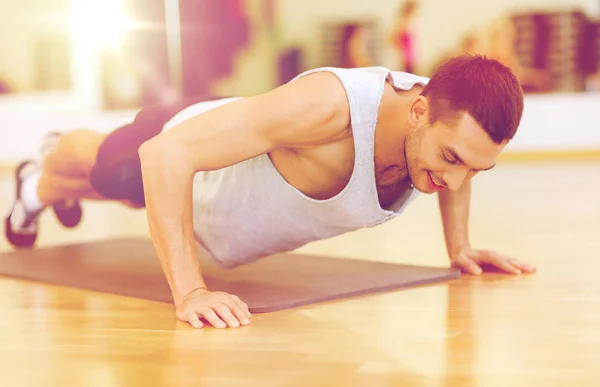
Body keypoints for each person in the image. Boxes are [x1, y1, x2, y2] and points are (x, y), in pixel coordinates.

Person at [4, 54, 537, 330]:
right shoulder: (330, 109)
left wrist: (459, 246)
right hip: (179, 142)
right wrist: (190, 293)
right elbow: (165, 158)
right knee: (104, 168)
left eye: (475, 170)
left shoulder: (441, 127)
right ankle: (46, 167)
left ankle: (40, 187)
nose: (456, 180)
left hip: (214, 212)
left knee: (129, 196)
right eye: (450, 159)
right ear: (418, 111)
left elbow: (457, 165)